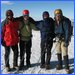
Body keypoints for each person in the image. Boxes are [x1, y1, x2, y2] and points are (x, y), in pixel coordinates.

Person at [54, 9, 71, 74]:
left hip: (64, 39)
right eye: (56, 15)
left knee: (64, 52)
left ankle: (67, 67)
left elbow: (67, 32)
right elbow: (54, 30)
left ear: (61, 14)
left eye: (59, 15)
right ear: (55, 15)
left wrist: (66, 41)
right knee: (58, 51)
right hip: (57, 39)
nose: (57, 16)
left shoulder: (65, 21)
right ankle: (60, 64)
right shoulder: (54, 21)